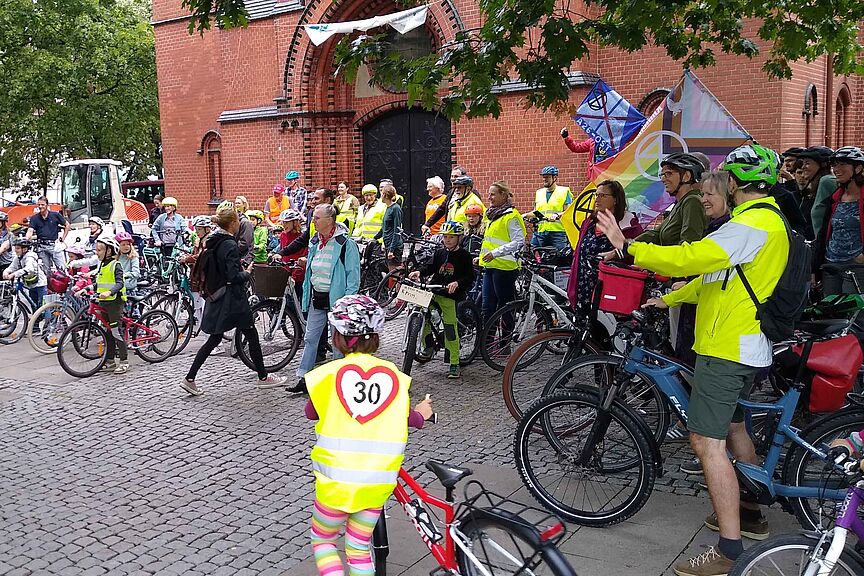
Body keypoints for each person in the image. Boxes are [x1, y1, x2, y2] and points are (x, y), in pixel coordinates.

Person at [597, 144, 786, 575]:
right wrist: (669, 299)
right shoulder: (755, 224)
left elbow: (691, 256)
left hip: (726, 350)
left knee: (706, 442)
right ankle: (751, 512)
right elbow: (713, 281)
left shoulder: (752, 225)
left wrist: (629, 247)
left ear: (735, 183)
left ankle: (730, 550)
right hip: (737, 346)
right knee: (735, 427)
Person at [303, 294, 433, 576]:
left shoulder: (327, 374)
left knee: (324, 540)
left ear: (337, 337)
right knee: (359, 547)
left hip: (334, 483)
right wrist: (422, 413)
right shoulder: (394, 375)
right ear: (376, 338)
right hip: (377, 483)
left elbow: (311, 412)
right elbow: (409, 417)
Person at [181, 202, 288, 396]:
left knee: (215, 338)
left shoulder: (212, 241)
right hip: (233, 299)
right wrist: (247, 272)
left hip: (217, 296)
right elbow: (233, 276)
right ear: (232, 223)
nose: (239, 222)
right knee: (251, 335)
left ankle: (190, 378)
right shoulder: (229, 244)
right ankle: (263, 377)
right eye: (238, 220)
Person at [286, 204, 361, 396]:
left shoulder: (345, 244)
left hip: (337, 301)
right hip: (317, 297)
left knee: (337, 343)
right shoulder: (314, 241)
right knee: (310, 338)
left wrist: (347, 303)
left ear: (329, 220)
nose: (313, 221)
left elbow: (353, 277)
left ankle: (338, 381)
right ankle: (304, 377)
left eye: (317, 218)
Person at [567, 180, 642, 322]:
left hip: (611, 288)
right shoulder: (589, 223)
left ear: (615, 199)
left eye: (602, 195)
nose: (597, 199)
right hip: (584, 286)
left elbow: (634, 252)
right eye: (596, 195)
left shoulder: (628, 224)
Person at [408, 221, 474, 379]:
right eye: (445, 237)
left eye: (452, 237)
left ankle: (453, 362)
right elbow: (430, 267)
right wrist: (419, 272)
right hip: (434, 290)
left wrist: (457, 283)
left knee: (450, 328)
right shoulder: (439, 253)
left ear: (459, 238)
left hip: (450, 296)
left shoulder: (464, 256)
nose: (448, 240)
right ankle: (428, 345)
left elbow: (470, 276)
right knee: (423, 318)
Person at [477, 181, 526, 346]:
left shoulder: (511, 215)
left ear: (504, 195)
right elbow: (490, 241)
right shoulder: (492, 214)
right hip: (490, 266)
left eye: (493, 194)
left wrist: (495, 253)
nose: (489, 197)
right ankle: (487, 343)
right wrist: (481, 256)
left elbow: (518, 242)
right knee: (487, 307)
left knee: (505, 307)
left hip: (505, 268)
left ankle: (504, 343)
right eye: (489, 194)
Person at [813, 146, 864, 295]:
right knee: (831, 312)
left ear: (858, 168)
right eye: (834, 165)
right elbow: (823, 234)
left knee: (854, 313)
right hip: (831, 264)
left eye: (842, 164)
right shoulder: (835, 198)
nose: (836, 169)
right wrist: (815, 267)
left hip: (856, 266)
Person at [636, 153, 708, 246]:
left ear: (686, 176)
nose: (663, 179)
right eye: (662, 175)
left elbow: (688, 245)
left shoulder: (692, 201)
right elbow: (655, 234)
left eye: (668, 174)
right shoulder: (680, 203)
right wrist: (625, 246)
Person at [89, 237, 129, 374]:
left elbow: (120, 283)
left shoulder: (115, 265)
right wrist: (87, 288)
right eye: (96, 250)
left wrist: (109, 292)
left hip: (114, 302)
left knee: (116, 331)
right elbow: (99, 283)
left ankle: (124, 361)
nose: (97, 252)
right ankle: (110, 360)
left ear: (109, 251)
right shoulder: (102, 265)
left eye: (100, 250)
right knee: (108, 332)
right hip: (104, 302)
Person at [3, 238, 47, 327]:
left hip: (40, 283)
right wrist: (6, 271)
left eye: (18, 248)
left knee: (44, 306)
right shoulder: (18, 257)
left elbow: (29, 268)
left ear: (25, 249)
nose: (16, 250)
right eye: (15, 248)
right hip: (31, 284)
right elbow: (12, 267)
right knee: (33, 305)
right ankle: (35, 327)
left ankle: (49, 327)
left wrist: (14, 274)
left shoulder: (30, 257)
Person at [797, 146, 836, 240]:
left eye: (807, 163)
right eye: (803, 163)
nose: (803, 167)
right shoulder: (810, 191)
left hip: (823, 248)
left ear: (822, 165)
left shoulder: (826, 181)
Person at [529, 165, 573, 249]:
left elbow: (568, 211)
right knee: (531, 251)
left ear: (555, 178)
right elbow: (536, 211)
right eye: (543, 177)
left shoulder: (564, 191)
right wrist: (524, 215)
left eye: (547, 177)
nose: (544, 179)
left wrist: (557, 215)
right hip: (541, 231)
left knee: (560, 257)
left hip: (558, 233)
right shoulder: (539, 193)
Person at [180, 215, 213, 325]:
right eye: (196, 229)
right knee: (197, 303)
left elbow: (201, 257)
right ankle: (202, 326)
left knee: (204, 303)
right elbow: (195, 254)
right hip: (196, 275)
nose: (197, 231)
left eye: (199, 229)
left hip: (205, 276)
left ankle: (209, 330)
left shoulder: (209, 241)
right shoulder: (199, 240)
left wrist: (187, 258)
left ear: (207, 229)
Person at [26, 196, 70, 274]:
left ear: (47, 205)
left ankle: (65, 284)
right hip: (41, 247)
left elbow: (67, 225)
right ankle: (48, 285)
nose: (40, 206)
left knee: (62, 269)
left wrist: (63, 238)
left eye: (42, 205)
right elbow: (30, 230)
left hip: (54, 246)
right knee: (45, 271)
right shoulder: (34, 218)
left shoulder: (55, 215)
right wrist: (26, 239)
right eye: (39, 205)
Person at [422, 166, 469, 234]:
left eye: (456, 176)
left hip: (464, 231)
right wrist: (427, 224)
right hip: (452, 232)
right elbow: (442, 209)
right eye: (452, 176)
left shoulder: (471, 193)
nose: (453, 179)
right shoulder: (451, 192)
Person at [277, 209, 307, 304]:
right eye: (283, 222)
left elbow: (302, 257)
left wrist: (295, 276)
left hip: (298, 275)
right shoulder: (283, 235)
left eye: (286, 222)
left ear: (294, 222)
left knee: (299, 303)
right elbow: (283, 252)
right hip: (286, 274)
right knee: (285, 303)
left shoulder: (301, 237)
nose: (284, 225)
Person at [376, 184, 403, 266]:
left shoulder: (396, 208)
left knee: (393, 273)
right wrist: (373, 238)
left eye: (381, 192)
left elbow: (397, 230)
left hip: (394, 247)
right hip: (388, 245)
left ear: (384, 195)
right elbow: (384, 228)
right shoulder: (388, 208)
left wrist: (391, 250)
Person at [233, 196, 255, 263]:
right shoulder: (237, 220)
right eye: (236, 203)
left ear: (244, 204)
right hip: (238, 256)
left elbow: (244, 243)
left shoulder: (245, 221)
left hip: (244, 258)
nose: (236, 205)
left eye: (239, 203)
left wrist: (232, 250)